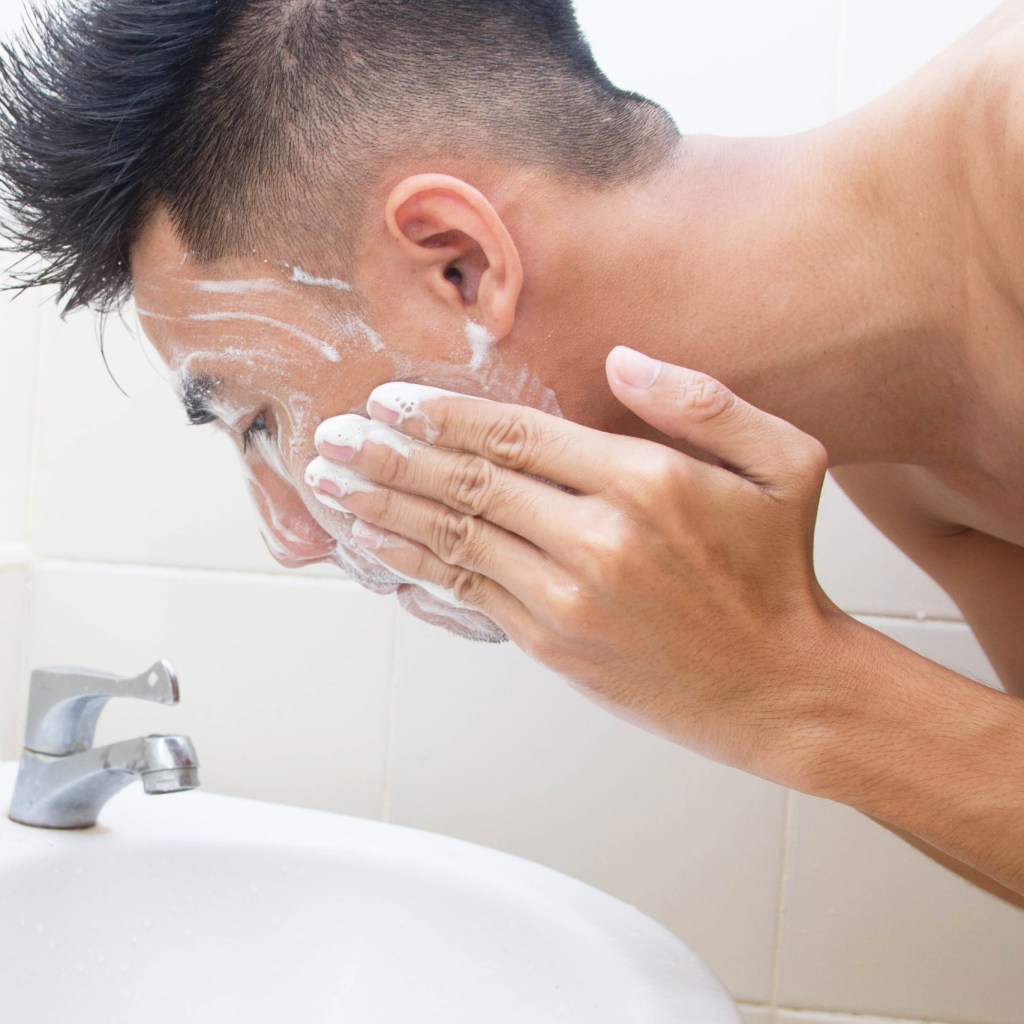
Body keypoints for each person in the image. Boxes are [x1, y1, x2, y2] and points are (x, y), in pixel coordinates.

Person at [1, 0, 1022, 897]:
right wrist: (766, 683)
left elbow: (822, 705)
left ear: (460, 262)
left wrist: (795, 681)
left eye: (259, 420)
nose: (293, 536)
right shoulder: (888, 448)